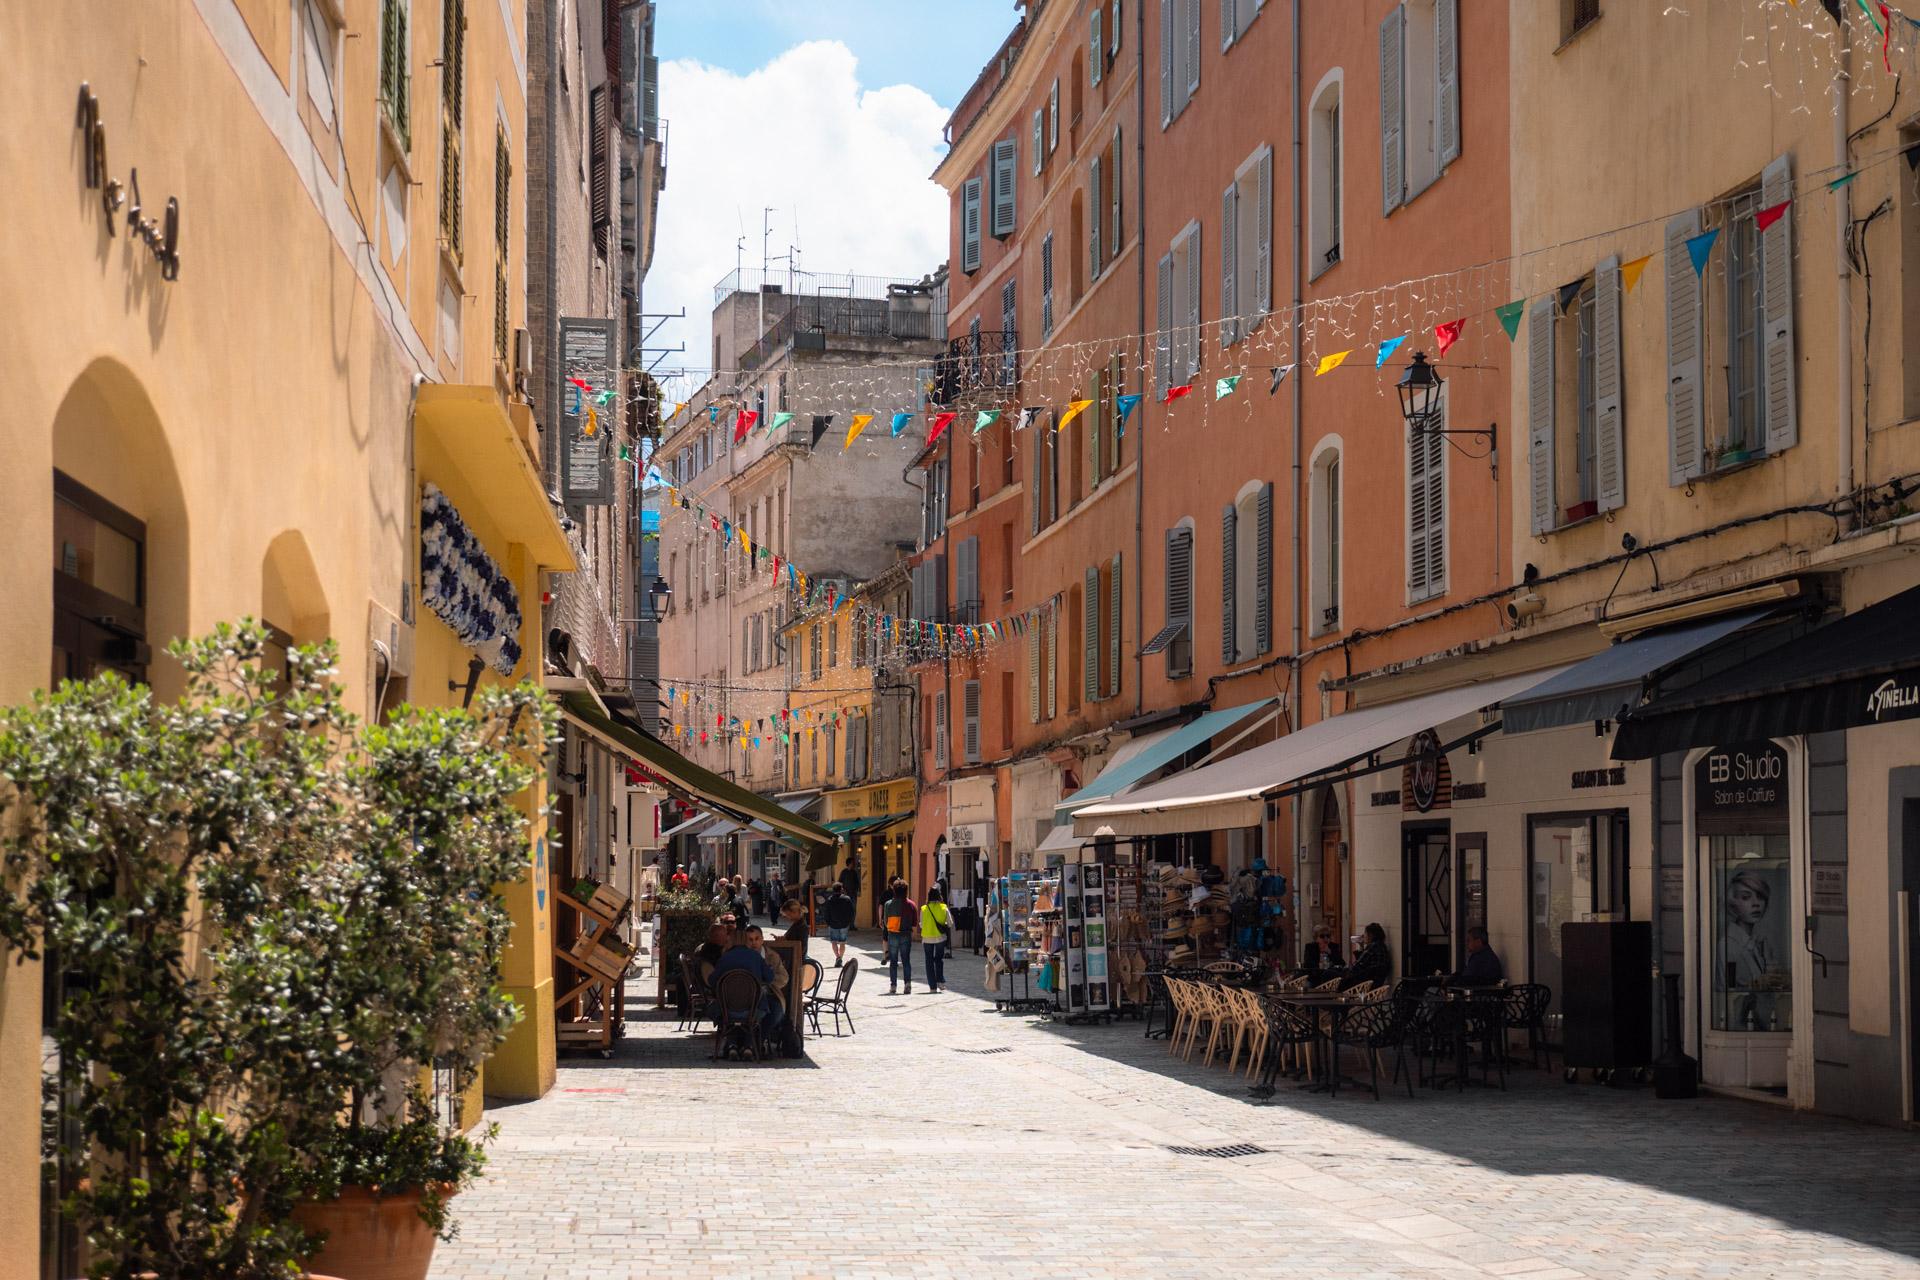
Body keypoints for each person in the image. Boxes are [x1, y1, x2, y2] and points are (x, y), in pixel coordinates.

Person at [710, 924, 786, 1042]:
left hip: (757, 997)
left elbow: (783, 977)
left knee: (775, 1011)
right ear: (745, 940)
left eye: (756, 939)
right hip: (750, 1004)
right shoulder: (753, 957)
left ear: (762, 939)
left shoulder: (771, 956)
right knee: (758, 1010)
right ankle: (748, 1044)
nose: (753, 943)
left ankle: (746, 1043)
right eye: (750, 939)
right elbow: (769, 977)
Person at [881, 881, 918, 994]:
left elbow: (886, 922)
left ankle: (893, 986)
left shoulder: (888, 904)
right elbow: (914, 922)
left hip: (893, 934)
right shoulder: (911, 904)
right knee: (906, 960)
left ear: (894, 890)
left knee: (893, 961)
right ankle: (907, 984)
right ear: (906, 890)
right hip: (906, 934)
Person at [919, 886, 954, 994]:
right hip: (940, 938)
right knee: (939, 960)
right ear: (939, 895)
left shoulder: (924, 909)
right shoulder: (944, 907)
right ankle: (940, 981)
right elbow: (950, 923)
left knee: (928, 961)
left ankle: (932, 987)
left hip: (927, 938)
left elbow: (921, 924)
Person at [1340, 922, 1392, 991]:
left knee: (1332, 976)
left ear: (1370, 935)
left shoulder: (1373, 946)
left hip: (1363, 984)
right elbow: (1365, 962)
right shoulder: (1381, 946)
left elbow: (1357, 967)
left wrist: (1345, 972)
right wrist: (1361, 947)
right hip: (1374, 983)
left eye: (1365, 933)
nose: (1363, 936)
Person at [823, 882, 856, 967]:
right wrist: (849, 922)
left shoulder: (829, 900)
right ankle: (840, 958)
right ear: (841, 889)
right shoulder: (847, 899)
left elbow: (826, 912)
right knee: (842, 942)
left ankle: (837, 957)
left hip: (833, 924)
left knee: (834, 942)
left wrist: (828, 922)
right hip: (844, 924)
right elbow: (852, 912)